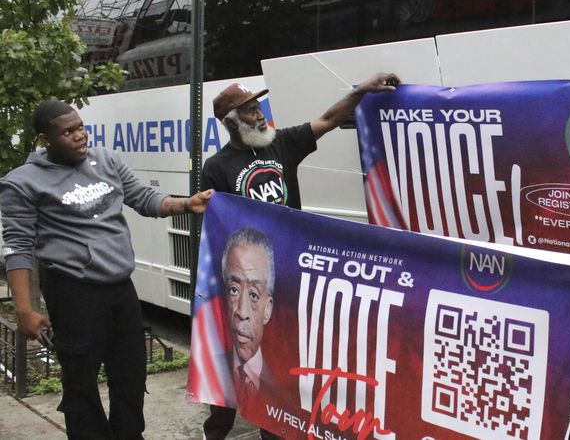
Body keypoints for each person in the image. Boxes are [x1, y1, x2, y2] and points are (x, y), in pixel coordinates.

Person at [201, 72, 400, 439]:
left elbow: (327, 120)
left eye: (258, 107)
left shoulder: (283, 143)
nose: (259, 115)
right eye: (248, 111)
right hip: (249, 283)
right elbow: (214, 228)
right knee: (237, 361)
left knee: (281, 360)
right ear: (230, 121)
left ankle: (275, 429)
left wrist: (361, 89)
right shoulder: (216, 168)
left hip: (290, 277)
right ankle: (216, 428)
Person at [0, 100, 213, 439]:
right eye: (67, 132)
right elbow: (17, 248)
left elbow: (143, 197)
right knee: (81, 383)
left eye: (80, 127)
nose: (79, 136)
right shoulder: (22, 183)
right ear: (44, 140)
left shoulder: (106, 159)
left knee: (130, 374)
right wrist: (25, 310)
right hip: (73, 292)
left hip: (120, 288)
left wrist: (186, 204)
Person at [220, 228, 283, 409]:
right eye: (234, 290)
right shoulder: (211, 372)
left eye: (254, 295)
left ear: (267, 309)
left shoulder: (283, 384)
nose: (242, 311)